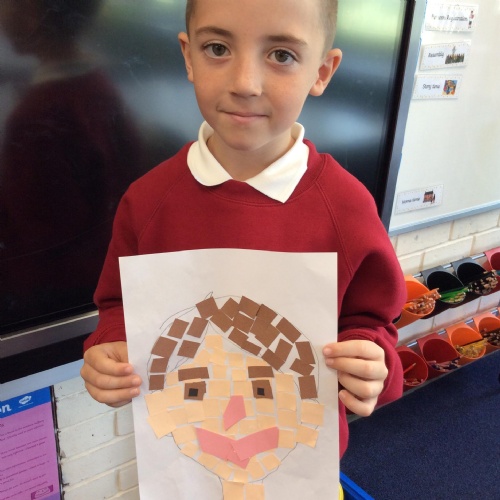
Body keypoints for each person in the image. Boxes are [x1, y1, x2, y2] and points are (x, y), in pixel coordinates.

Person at [81, 0, 406, 462]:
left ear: (321, 72)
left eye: (281, 55)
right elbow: (118, 305)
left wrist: (374, 364)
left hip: (295, 467)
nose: (244, 84)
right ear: (188, 56)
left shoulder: (346, 208)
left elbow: (372, 323)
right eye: (218, 48)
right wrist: (110, 349)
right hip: (186, 461)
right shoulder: (147, 201)